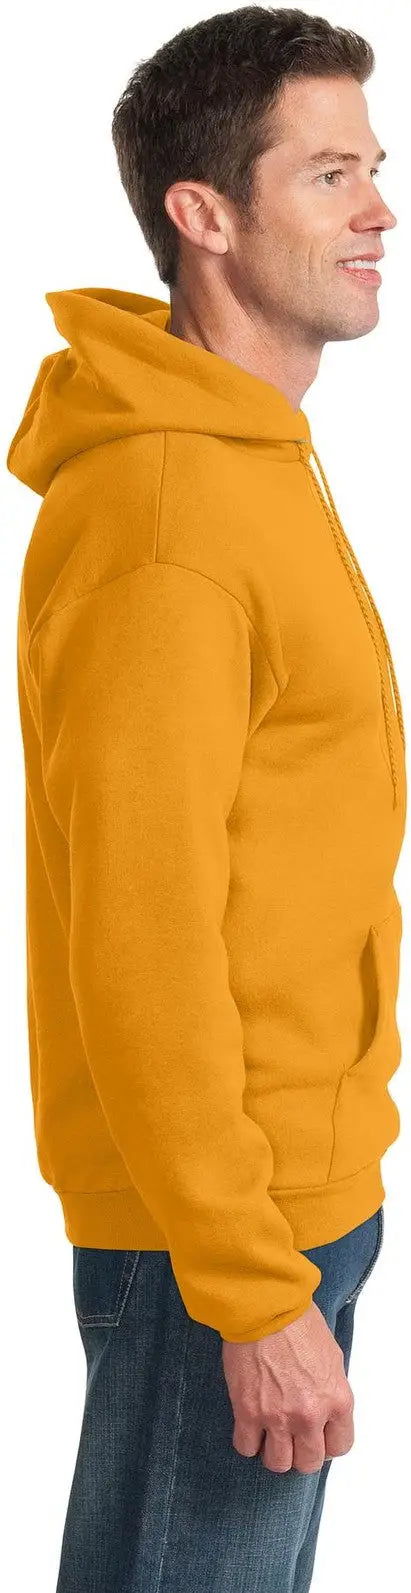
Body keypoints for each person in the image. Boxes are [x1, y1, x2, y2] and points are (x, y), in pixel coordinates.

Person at [7, 7, 406, 1591]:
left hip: (284, 1193)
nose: (379, 210)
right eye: (329, 174)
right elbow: (143, 936)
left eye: (374, 167)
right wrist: (246, 1280)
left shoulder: (249, 457)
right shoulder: (164, 513)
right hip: (220, 1232)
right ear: (206, 214)